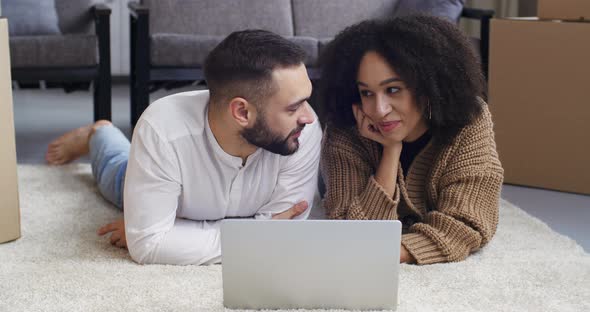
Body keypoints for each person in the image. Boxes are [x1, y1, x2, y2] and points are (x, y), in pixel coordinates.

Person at [45, 30, 322, 265]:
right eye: (294, 106)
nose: (309, 116)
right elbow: (150, 246)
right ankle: (99, 132)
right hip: (168, 188)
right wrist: (258, 236)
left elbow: (283, 236)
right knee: (117, 171)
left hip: (181, 208)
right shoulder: (163, 130)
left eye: (306, 100)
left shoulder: (302, 132)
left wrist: (165, 234)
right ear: (242, 112)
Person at [318, 15, 504, 265]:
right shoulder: (346, 128)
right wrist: (390, 152)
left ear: (428, 86)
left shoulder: (468, 120)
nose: (379, 109)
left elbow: (467, 224)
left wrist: (397, 251)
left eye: (393, 89)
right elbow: (352, 230)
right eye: (367, 93)